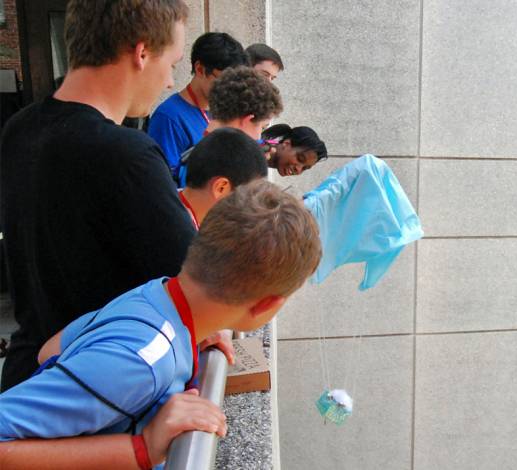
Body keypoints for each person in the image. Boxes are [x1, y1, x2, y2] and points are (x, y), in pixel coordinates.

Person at [0, 181, 322, 469]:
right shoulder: (144, 360)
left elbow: (49, 352)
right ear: (268, 304)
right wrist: (140, 449)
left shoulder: (154, 295)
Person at [0, 0, 196, 391]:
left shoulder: (18, 129)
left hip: (25, 376)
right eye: (172, 63)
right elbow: (197, 282)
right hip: (90, 393)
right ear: (141, 52)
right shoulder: (125, 154)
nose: (170, 82)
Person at [149, 32, 248, 181]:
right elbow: (162, 181)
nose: (229, 88)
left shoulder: (223, 112)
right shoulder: (169, 117)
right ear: (200, 69)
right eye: (223, 80)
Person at [175, 65, 283, 187]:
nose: (259, 136)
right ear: (248, 120)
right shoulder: (224, 167)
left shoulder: (200, 151)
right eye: (262, 127)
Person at [179, 128, 268, 228]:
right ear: (221, 188)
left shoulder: (170, 200)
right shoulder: (182, 236)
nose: (250, 206)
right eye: (248, 195)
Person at [262, 123, 328, 176]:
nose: (298, 169)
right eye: (300, 159)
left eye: (304, 168)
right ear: (286, 143)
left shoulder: (259, 169)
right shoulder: (254, 148)